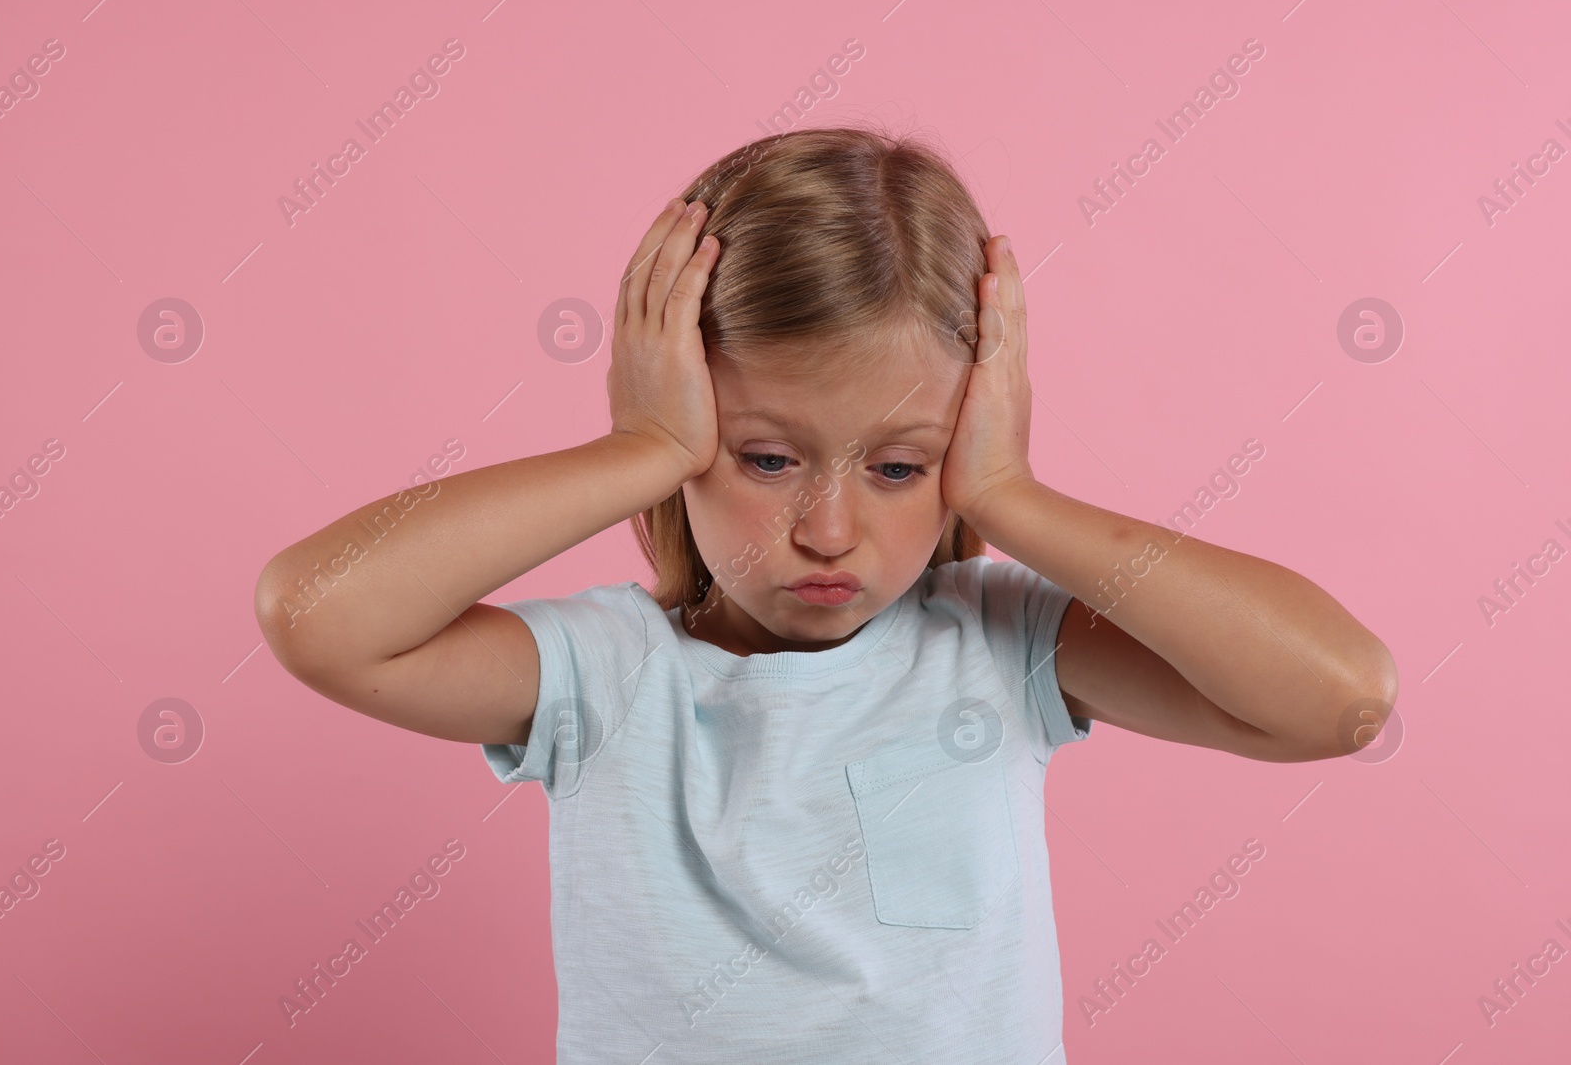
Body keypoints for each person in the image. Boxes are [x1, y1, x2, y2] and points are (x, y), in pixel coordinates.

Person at [254, 124, 1398, 1063]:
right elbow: (318, 613)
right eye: (766, 457)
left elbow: (1337, 698)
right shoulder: (606, 673)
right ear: (689, 432)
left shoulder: (996, 644)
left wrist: (1010, 493)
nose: (831, 527)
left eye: (900, 466)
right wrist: (635, 446)